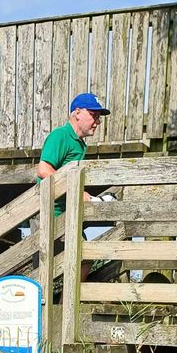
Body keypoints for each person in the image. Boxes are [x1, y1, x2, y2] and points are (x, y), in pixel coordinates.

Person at [36, 92, 112, 280]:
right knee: (45, 268)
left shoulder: (80, 144)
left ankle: (64, 307)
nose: (97, 122)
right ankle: (50, 307)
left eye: (99, 117)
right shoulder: (60, 136)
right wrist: (77, 191)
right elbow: (43, 169)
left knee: (84, 257)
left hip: (65, 214)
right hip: (49, 212)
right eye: (94, 115)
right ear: (77, 112)